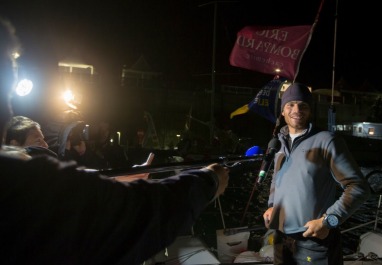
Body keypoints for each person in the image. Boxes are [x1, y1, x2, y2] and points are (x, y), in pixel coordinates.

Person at [0, 17, 229, 265]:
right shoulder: (21, 178)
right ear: (12, 142)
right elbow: (125, 212)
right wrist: (208, 180)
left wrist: (129, 177)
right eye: (8, 97)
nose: (43, 145)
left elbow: (88, 183)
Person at [262, 83, 371, 265]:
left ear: (310, 110)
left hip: (315, 241)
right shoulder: (278, 143)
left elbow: (359, 187)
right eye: (290, 104)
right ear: (282, 111)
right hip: (281, 238)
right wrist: (272, 204)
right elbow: (276, 179)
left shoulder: (327, 141)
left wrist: (329, 221)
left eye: (303, 105)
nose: (297, 110)